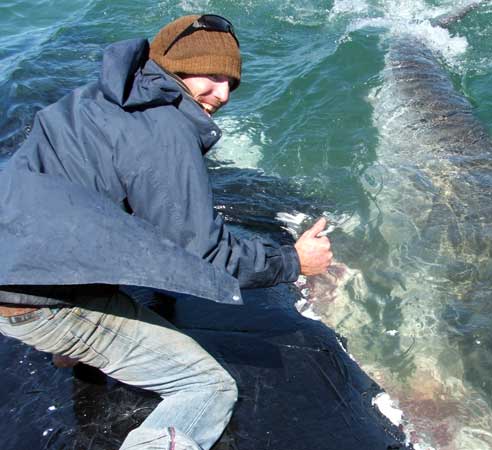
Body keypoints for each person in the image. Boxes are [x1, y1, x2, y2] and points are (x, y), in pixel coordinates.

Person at [0, 14, 332, 450]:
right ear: (175, 68)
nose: (223, 93)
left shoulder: (97, 97)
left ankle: (74, 345)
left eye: (231, 82)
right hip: (37, 302)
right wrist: (293, 261)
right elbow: (205, 254)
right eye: (211, 76)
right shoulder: (166, 130)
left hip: (14, 258)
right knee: (208, 389)